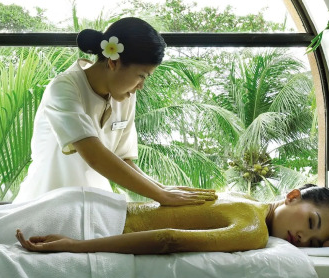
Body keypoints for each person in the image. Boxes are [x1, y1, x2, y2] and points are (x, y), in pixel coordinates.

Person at [14, 16, 215, 206]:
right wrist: (162, 195)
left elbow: (122, 159)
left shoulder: (125, 95)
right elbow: (94, 155)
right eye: (141, 76)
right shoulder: (64, 87)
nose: (141, 86)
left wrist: (163, 188)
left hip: (94, 208)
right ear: (113, 62)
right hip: (45, 206)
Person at [16, 185, 329, 257]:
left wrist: (327, 245)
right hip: (90, 223)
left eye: (313, 241)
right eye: (312, 223)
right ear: (292, 196)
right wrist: (76, 246)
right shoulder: (253, 229)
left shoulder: (239, 195)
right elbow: (168, 238)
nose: (304, 239)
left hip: (88, 203)